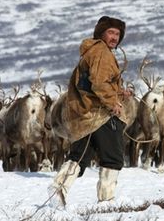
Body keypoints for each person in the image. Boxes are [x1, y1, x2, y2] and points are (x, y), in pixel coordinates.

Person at [48, 16, 130, 208]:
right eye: (111, 32)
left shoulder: (92, 51)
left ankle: (58, 188)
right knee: (113, 157)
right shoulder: (102, 52)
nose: (114, 37)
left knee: (79, 156)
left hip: (83, 115)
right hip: (100, 115)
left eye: (118, 34)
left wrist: (120, 92)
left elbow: (93, 82)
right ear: (101, 33)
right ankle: (106, 200)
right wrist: (112, 103)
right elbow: (99, 82)